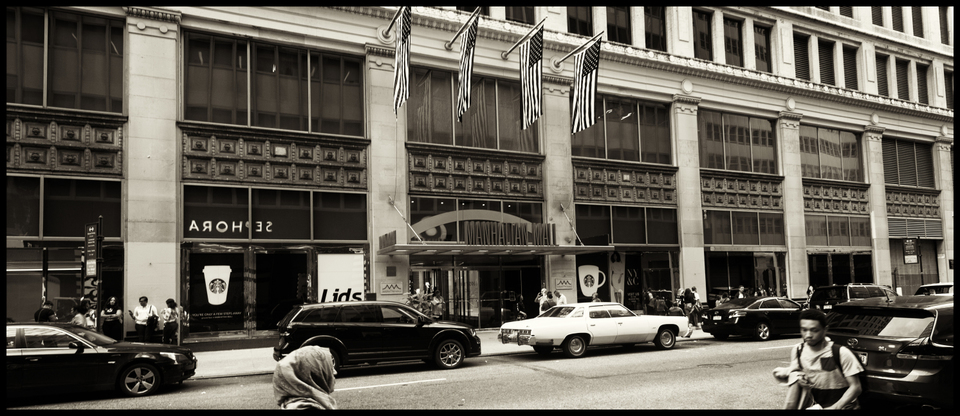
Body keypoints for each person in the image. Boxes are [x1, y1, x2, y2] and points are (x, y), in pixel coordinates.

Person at [773, 309, 863, 410]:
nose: (808, 335)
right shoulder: (798, 350)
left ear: (825, 330)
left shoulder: (840, 353)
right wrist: (800, 379)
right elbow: (796, 372)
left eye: (814, 330)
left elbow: (856, 387)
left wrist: (835, 407)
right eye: (804, 330)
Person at [273, 345, 337, 409]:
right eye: (329, 367)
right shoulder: (309, 407)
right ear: (313, 375)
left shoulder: (291, 404)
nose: (335, 372)